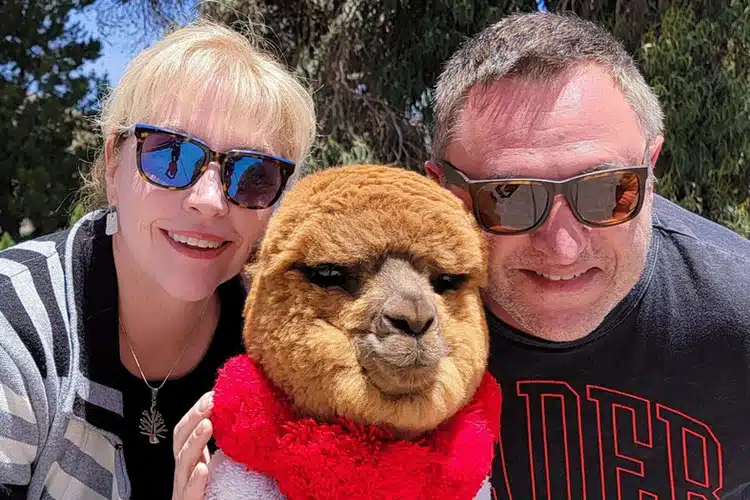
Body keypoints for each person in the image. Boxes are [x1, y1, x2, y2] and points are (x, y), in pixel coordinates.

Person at [425, 11, 750, 499]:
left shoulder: (737, 313)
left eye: (604, 191)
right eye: (510, 195)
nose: (562, 247)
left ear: (651, 165)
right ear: (444, 191)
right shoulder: (379, 323)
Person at [0, 19, 316, 500]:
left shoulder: (289, 345)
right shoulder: (16, 329)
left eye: (253, 175)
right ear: (113, 165)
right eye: (172, 156)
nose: (209, 200)